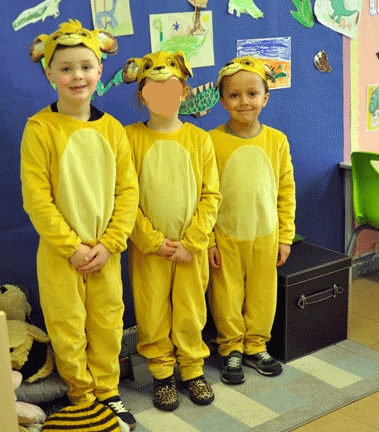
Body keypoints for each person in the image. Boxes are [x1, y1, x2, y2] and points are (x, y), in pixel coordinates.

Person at [20, 19, 139, 429]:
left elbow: (128, 192)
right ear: (49, 74)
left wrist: (109, 243)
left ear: (100, 71)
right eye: (66, 68)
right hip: (61, 255)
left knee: (107, 323)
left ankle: (107, 392)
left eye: (86, 67)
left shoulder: (113, 130)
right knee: (67, 326)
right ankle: (82, 396)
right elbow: (37, 199)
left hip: (106, 252)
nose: (77, 76)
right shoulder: (40, 129)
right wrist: (72, 247)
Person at [121, 50, 222, 411]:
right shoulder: (129, 138)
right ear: (142, 95)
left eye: (171, 88)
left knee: (191, 311)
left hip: (190, 250)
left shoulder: (199, 139)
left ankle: (192, 369)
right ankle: (162, 375)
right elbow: (125, 197)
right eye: (154, 89)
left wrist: (192, 242)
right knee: (152, 314)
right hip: (149, 251)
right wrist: (150, 240)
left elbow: (211, 195)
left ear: (184, 92)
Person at [207, 56, 296, 385]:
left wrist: (285, 236)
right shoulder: (210, 141)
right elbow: (204, 195)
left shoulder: (277, 141)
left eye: (252, 93)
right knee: (226, 295)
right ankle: (231, 347)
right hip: (225, 236)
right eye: (234, 95)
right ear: (222, 101)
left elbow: (286, 191)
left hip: (266, 235)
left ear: (265, 98)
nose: (244, 101)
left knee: (262, 294)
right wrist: (209, 240)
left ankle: (256, 345)